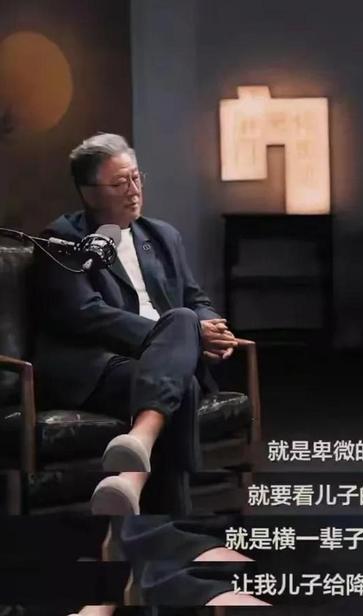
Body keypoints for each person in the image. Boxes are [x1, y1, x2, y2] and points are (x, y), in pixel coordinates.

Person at [32, 133, 268, 607]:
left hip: (163, 366)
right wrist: (180, 334)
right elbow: (85, 316)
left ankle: (135, 474)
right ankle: (178, 553)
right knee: (178, 349)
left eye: (137, 178)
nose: (134, 190)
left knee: (182, 332)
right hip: (103, 366)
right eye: (120, 183)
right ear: (88, 192)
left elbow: (196, 300)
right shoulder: (63, 240)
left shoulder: (162, 236)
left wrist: (209, 328)